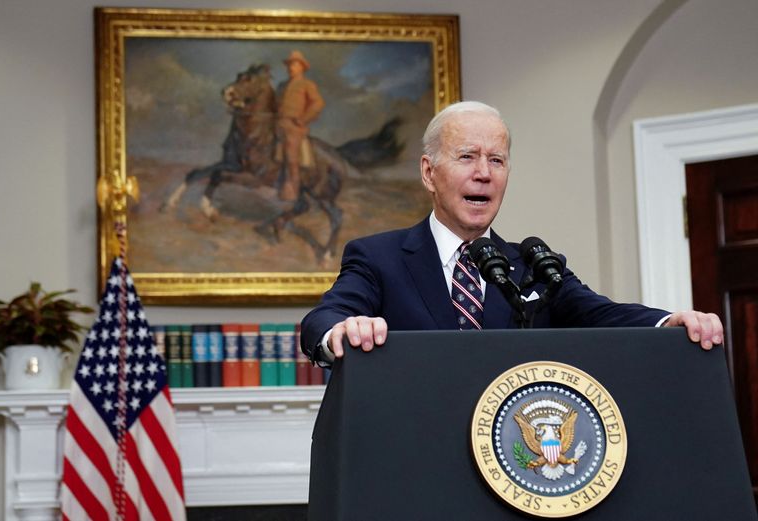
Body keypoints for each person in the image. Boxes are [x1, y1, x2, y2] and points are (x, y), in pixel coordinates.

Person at [300, 101, 723, 363]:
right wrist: (342, 332)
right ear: (429, 173)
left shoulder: (534, 265)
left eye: (497, 160)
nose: (484, 173)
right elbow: (323, 319)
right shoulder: (379, 257)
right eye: (467, 156)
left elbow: (600, 313)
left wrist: (670, 321)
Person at [275, 50, 325, 201]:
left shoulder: (307, 84)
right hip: (278, 124)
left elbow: (318, 103)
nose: (291, 68)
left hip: (294, 126)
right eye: (289, 65)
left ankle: (293, 189)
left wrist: (303, 119)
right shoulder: (282, 86)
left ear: (302, 67)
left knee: (291, 153)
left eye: (295, 65)